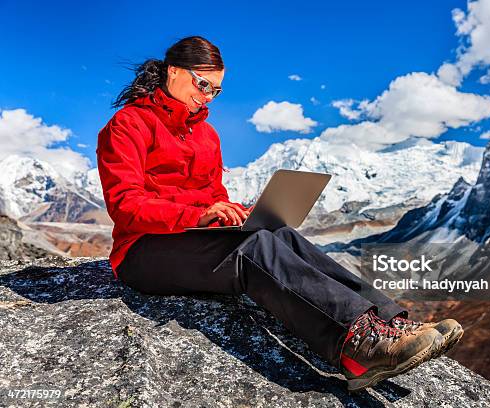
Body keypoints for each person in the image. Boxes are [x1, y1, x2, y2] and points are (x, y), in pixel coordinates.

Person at [96, 35, 463, 392]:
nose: (208, 97)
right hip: (143, 252)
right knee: (253, 251)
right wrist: (198, 216)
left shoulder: (206, 135)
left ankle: (389, 323)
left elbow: (212, 196)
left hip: (190, 240)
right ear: (173, 71)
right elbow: (125, 205)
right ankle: (358, 349)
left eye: (216, 91)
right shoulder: (127, 125)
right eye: (202, 84)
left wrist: (234, 212)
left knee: (281, 235)